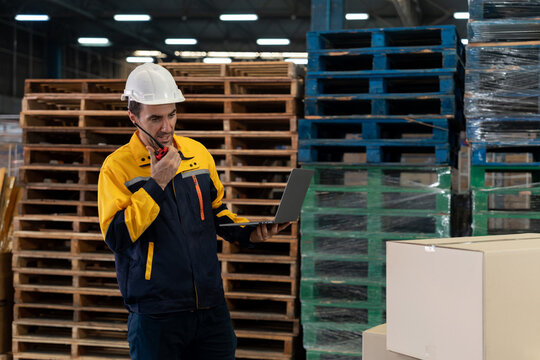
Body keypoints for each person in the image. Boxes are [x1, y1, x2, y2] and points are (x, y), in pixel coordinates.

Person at [97, 63, 289, 360]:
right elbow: (117, 236)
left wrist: (250, 232)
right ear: (133, 117)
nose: (167, 127)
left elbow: (216, 213)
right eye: (156, 118)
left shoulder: (197, 154)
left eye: (172, 114)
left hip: (210, 308)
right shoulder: (117, 168)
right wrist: (157, 181)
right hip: (156, 314)